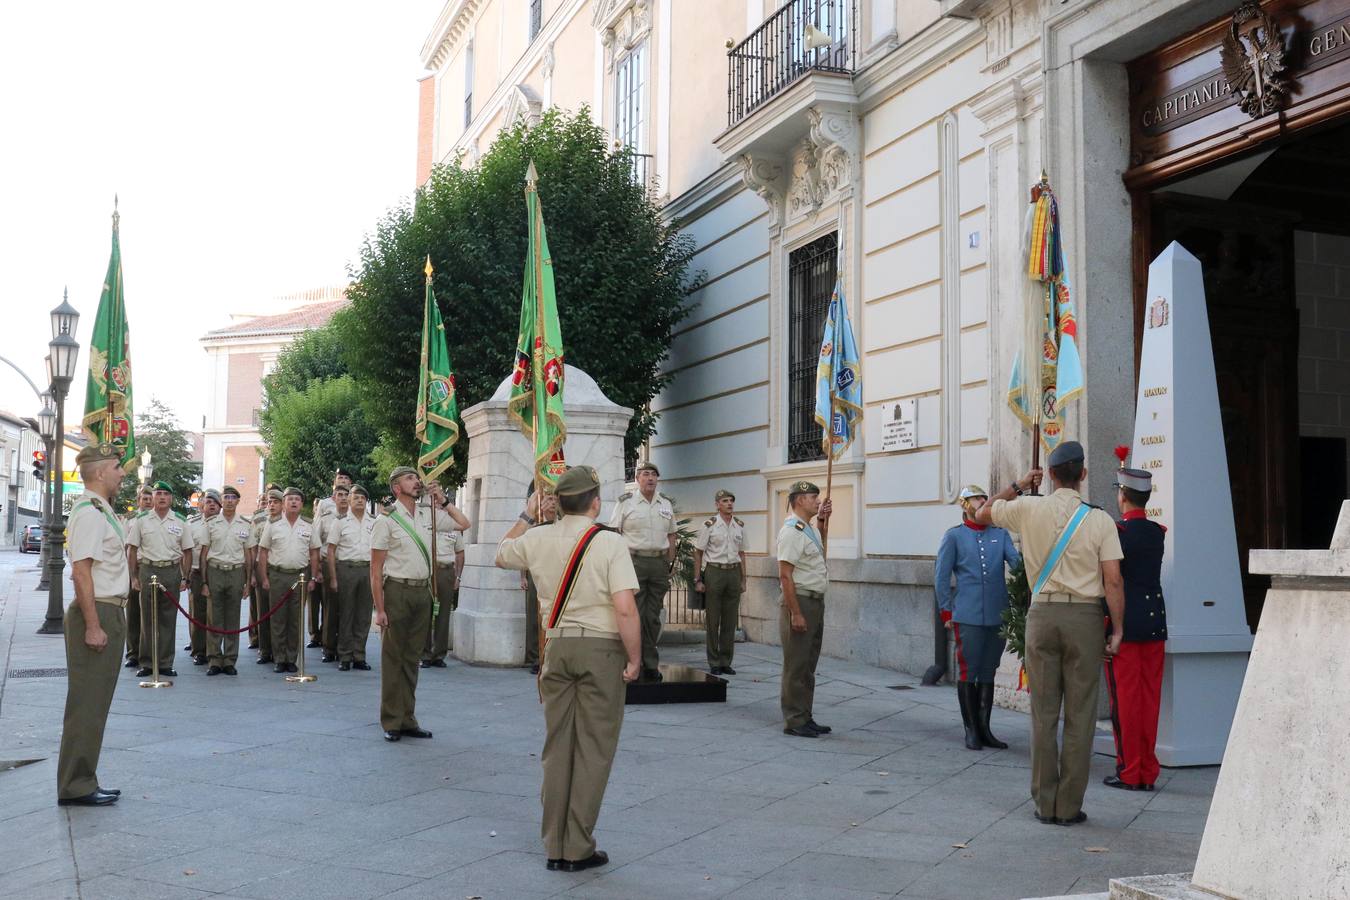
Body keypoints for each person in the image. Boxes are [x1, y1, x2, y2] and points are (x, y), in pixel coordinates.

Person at [495, 465, 641, 873]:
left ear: (557, 502)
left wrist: (528, 516)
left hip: (556, 650)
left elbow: (500, 553)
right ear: (595, 502)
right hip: (601, 650)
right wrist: (635, 658)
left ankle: (553, 845)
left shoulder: (537, 537)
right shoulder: (609, 543)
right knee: (593, 749)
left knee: (557, 749)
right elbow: (625, 607)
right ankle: (577, 846)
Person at [975, 440, 1124, 826]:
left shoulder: (1027, 507)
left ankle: (1044, 803)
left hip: (1041, 616)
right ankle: (1069, 806)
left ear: (1052, 475)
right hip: (1085, 620)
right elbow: (1113, 581)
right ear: (1083, 475)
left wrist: (1020, 484)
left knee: (1042, 714)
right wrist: (1118, 630)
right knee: (1080, 715)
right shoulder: (1100, 520)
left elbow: (981, 511)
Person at [369, 468, 470, 741]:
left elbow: (464, 523)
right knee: (394, 659)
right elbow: (376, 570)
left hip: (422, 593)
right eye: (409, 479)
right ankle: (391, 721)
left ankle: (408, 718)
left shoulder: (429, 515)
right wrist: (379, 609)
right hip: (396, 592)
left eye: (417, 478)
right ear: (396, 488)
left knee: (412, 659)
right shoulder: (387, 520)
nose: (417, 482)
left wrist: (444, 501)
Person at [57, 443, 130, 807]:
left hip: (108, 610)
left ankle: (83, 778)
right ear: (100, 472)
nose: (122, 473)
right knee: (87, 704)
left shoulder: (103, 511)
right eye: (117, 467)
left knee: (95, 703)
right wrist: (92, 625)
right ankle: (76, 785)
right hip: (97, 612)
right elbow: (81, 571)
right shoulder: (88, 513)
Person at [936, 485, 1022, 750]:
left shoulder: (1000, 534)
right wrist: (946, 611)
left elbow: (1017, 565)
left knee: (988, 671)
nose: (984, 502)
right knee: (968, 671)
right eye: (977, 499)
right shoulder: (954, 537)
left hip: (997, 613)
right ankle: (970, 729)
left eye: (985, 498)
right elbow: (941, 576)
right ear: (965, 505)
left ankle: (985, 729)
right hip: (968, 614)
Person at [1103, 466, 1167, 792]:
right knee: (1149, 700)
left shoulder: (1117, 532)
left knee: (1125, 702)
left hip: (1125, 625)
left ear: (1123, 496)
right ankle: (1147, 770)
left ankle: (1129, 771)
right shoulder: (1157, 531)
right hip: (1154, 622)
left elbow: (1112, 581)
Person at [608, 461, 676, 681]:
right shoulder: (626, 503)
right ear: (637, 479)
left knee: (652, 616)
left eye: (654, 475)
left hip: (658, 564)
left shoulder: (665, 504)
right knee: (633, 614)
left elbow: (672, 536)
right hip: (633, 563)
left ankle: (650, 663)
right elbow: (614, 534)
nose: (650, 478)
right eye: (645, 474)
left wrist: (669, 564)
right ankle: (631, 662)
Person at [776, 480, 833, 738]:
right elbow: (785, 576)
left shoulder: (807, 529)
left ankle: (805, 715)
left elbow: (817, 557)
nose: (818, 501)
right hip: (799, 601)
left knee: (808, 665)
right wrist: (795, 613)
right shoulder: (791, 531)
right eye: (813, 497)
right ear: (799, 500)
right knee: (796, 665)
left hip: (814, 601)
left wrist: (822, 522)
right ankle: (794, 719)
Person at [126, 481, 192, 678]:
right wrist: (133, 577)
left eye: (166, 494)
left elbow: (188, 551)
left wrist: (185, 577)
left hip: (171, 571)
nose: (162, 497)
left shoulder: (180, 521)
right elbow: (132, 549)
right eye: (158, 493)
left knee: (168, 618)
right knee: (147, 619)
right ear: (153, 497)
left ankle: (165, 663)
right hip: (148, 569)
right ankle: (146, 662)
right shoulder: (142, 520)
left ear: (171, 498)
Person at [256, 487, 314, 674]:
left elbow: (314, 552)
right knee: (278, 618)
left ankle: (292, 658)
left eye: (297, 499)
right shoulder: (272, 524)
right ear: (284, 503)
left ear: (301, 504)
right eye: (290, 499)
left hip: (300, 576)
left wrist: (313, 577)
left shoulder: (308, 525)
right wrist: (264, 577)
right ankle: (280, 658)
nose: (294, 502)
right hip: (278, 575)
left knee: (295, 619)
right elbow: (263, 552)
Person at [200, 486, 253, 676]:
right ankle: (214, 659)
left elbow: (248, 555)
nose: (230, 501)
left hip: (236, 572)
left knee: (232, 617)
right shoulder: (212, 523)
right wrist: (204, 583)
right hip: (215, 571)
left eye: (233, 498)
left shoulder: (245, 524)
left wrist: (247, 582)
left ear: (238, 501)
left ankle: (230, 660)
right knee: (214, 617)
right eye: (226, 497)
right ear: (222, 501)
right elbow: (204, 554)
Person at [693, 489, 746, 675]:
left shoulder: (739, 525)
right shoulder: (709, 525)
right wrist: (697, 578)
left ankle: (726, 661)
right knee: (713, 620)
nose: (729, 504)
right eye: (725, 501)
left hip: (733, 572)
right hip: (714, 571)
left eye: (731, 500)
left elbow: (741, 553)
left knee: (730, 621)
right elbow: (698, 552)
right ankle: (714, 661)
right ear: (717, 504)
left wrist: (743, 578)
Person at [326, 484, 377, 671]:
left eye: (363, 498)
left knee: (363, 615)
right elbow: (331, 550)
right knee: (346, 613)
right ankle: (345, 655)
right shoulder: (339, 522)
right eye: (356, 498)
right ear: (348, 501)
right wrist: (333, 577)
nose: (360, 501)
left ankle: (359, 655)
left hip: (367, 570)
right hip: (346, 569)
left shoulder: (374, 522)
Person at [422, 501, 466, 669]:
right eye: (437, 506)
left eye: (443, 506)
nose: (440, 508)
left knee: (443, 614)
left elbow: (460, 554)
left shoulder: (454, 529)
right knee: (425, 613)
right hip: (428, 571)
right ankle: (425, 654)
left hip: (446, 571)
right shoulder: (426, 526)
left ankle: (438, 654)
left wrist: (458, 577)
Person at [311, 484, 349, 662]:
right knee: (330, 608)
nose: (342, 497)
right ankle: (328, 647)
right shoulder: (325, 518)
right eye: (338, 494)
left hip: (348, 566)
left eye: (345, 495)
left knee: (347, 609)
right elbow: (316, 543)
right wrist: (317, 568)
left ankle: (344, 647)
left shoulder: (355, 518)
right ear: (333, 498)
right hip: (328, 564)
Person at [186, 491, 221, 666]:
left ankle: (214, 649)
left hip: (218, 573)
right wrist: (185, 575)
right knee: (198, 614)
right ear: (201, 505)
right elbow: (184, 550)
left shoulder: (224, 524)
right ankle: (199, 650)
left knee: (216, 614)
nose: (212, 505)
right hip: (197, 573)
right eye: (208, 502)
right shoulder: (191, 524)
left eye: (216, 502)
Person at [250, 487, 282, 664]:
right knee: (263, 612)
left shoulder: (287, 522)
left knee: (279, 612)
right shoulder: (259, 520)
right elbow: (253, 547)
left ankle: (279, 650)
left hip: (279, 570)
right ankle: (264, 650)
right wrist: (253, 575)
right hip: (262, 569)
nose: (271, 505)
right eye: (269, 502)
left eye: (275, 502)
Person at [122, 486, 153, 669]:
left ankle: (148, 652)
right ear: (138, 500)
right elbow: (124, 546)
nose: (148, 501)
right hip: (135, 566)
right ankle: (133, 653)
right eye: (144, 498)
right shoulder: (129, 520)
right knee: (133, 612)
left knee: (150, 613)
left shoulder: (157, 518)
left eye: (150, 498)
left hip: (151, 567)